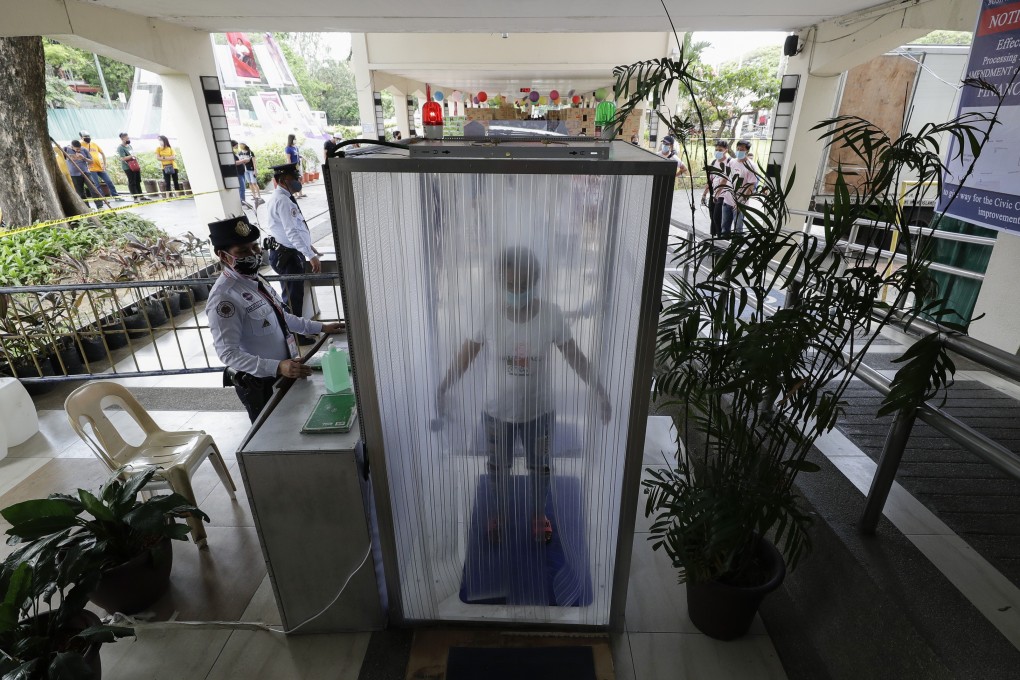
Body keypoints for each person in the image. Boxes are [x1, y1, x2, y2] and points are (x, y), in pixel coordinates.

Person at [436, 247, 611, 544]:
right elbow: (466, 355)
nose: (517, 291)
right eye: (510, 285)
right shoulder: (488, 314)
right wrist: (443, 386)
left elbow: (575, 357)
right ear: (499, 282)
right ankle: (501, 514)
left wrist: (599, 390)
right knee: (497, 467)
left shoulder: (551, 315)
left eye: (523, 285)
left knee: (540, 467)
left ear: (535, 281)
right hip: (496, 412)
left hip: (539, 411)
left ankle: (537, 514)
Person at [206, 214, 342, 422]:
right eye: (242, 251)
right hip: (260, 383)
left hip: (285, 372)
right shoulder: (224, 298)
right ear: (223, 256)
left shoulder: (255, 279)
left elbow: (282, 317)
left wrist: (321, 327)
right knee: (271, 434)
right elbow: (228, 353)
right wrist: (277, 366)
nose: (252, 254)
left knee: (294, 424)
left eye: (254, 247)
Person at [266, 162, 320, 339]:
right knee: (292, 297)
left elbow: (293, 227)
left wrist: (308, 245)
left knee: (294, 295)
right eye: (294, 178)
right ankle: (295, 336)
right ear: (282, 180)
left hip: (287, 251)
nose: (298, 180)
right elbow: (291, 231)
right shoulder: (282, 200)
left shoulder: (284, 197)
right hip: (287, 256)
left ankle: (297, 332)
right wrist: (310, 256)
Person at [721, 140, 757, 236]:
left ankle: (736, 249)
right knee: (724, 228)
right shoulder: (731, 162)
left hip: (740, 204)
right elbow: (725, 178)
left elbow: (750, 186)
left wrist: (741, 202)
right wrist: (717, 193)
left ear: (747, 151)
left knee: (738, 230)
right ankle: (723, 247)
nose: (739, 151)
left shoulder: (751, 166)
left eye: (742, 149)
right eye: (738, 149)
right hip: (727, 201)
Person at [79, 131, 122, 201]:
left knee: (109, 181)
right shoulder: (80, 145)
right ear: (81, 138)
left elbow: (102, 153)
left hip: (100, 167)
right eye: (85, 137)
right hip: (91, 168)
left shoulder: (94, 144)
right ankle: (103, 199)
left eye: (88, 136)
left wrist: (104, 164)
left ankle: (116, 196)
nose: (87, 138)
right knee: (97, 185)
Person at [700, 140, 731, 237]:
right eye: (716, 150)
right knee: (712, 217)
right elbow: (710, 180)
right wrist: (705, 194)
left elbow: (725, 180)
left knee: (717, 217)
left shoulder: (729, 162)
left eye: (720, 150)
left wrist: (717, 194)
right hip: (714, 193)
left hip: (723, 194)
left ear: (726, 150)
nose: (717, 152)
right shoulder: (714, 162)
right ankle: (713, 238)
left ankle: (720, 239)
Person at [116, 132, 146, 202]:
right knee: (132, 182)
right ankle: (135, 197)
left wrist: (134, 157)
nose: (128, 139)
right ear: (122, 139)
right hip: (128, 167)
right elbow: (122, 158)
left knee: (138, 180)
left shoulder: (129, 146)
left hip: (135, 165)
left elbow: (133, 154)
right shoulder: (120, 148)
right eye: (127, 138)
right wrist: (131, 156)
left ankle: (141, 195)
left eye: (128, 138)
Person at [230, 140, 251, 209]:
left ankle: (243, 201)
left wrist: (242, 161)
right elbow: (235, 163)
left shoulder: (234, 152)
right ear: (233, 145)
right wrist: (243, 160)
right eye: (236, 145)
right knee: (242, 189)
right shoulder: (231, 153)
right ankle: (242, 202)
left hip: (241, 172)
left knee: (242, 188)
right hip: (238, 173)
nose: (237, 146)